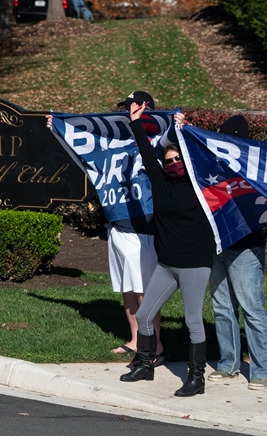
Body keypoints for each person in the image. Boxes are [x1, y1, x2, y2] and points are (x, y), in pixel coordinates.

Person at [47, 91, 161, 357]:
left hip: (141, 227)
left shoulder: (155, 142)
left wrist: (175, 124)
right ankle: (135, 339)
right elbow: (85, 151)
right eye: (124, 108)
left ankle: (155, 343)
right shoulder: (113, 142)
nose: (124, 112)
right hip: (117, 226)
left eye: (130, 107)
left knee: (144, 290)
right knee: (128, 289)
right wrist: (58, 127)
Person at [119, 101, 216, 397]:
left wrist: (183, 129)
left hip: (195, 264)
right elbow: (149, 154)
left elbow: (205, 157)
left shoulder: (200, 185)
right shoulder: (160, 182)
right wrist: (136, 121)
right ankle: (146, 364)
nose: (174, 164)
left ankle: (196, 378)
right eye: (169, 160)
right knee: (146, 315)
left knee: (192, 321)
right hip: (167, 264)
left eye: (178, 160)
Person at [207, 115, 267, 391]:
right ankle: (229, 363)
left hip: (247, 247)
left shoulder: (258, 168)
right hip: (217, 245)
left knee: (252, 309)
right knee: (222, 307)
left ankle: (263, 370)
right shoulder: (211, 166)